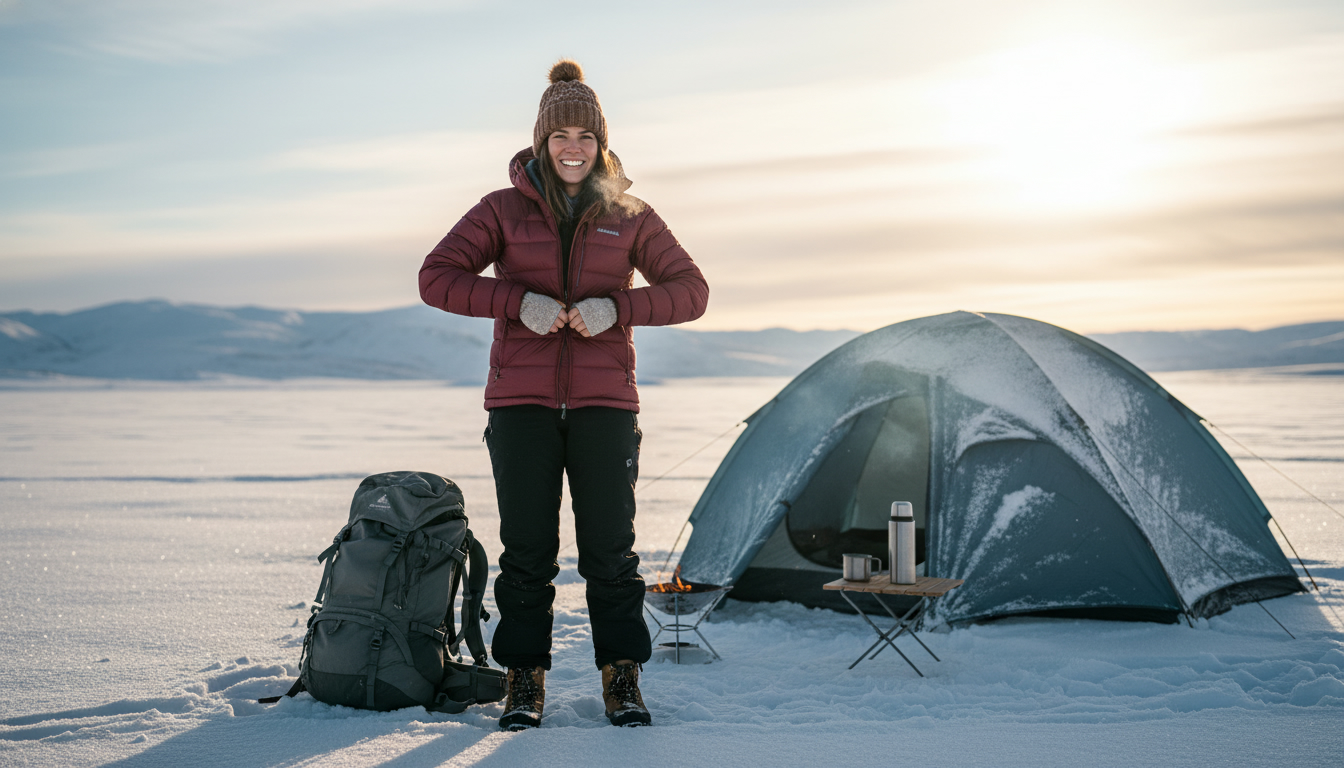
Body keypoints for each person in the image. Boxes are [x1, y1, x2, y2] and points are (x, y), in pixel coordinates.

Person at [418, 60, 709, 730]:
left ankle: (622, 678)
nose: (573, 147)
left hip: (606, 406)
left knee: (611, 552)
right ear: (541, 141)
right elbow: (437, 276)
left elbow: (692, 292)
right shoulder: (500, 209)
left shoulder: (632, 215)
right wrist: (517, 301)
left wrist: (618, 308)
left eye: (585, 135)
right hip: (520, 406)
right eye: (560, 135)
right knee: (527, 553)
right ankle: (524, 680)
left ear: (601, 142)